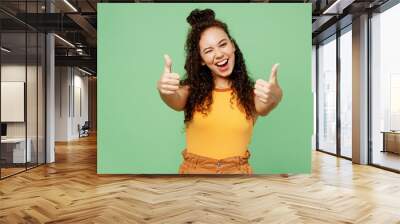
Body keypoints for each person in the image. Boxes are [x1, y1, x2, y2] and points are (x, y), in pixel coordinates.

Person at [157, 8, 282, 174]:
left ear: (233, 45)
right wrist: (164, 89)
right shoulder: (190, 91)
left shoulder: (251, 94)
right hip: (194, 176)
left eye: (223, 44)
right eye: (208, 51)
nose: (219, 54)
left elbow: (266, 104)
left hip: (238, 176)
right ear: (201, 60)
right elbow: (174, 98)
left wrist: (275, 95)